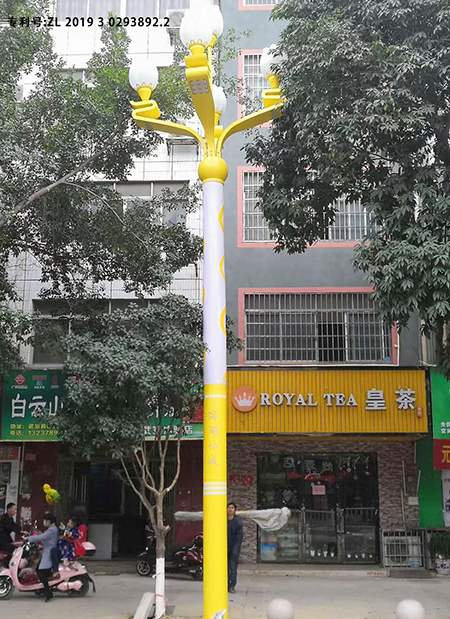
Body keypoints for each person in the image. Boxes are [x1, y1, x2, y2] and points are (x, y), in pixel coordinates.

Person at [26, 512, 59, 602]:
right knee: (38, 570)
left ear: (49, 521)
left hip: (49, 553)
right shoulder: (51, 529)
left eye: (45, 520)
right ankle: (43, 588)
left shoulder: (52, 530)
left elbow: (42, 537)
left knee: (42, 572)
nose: (44, 522)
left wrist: (29, 539)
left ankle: (48, 593)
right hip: (46, 551)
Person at [227, 502, 243, 594]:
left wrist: (235, 550)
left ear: (235, 510)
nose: (230, 509)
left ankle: (232, 586)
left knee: (232, 568)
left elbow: (239, 538)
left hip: (233, 549)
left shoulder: (238, 522)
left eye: (232, 508)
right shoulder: (222, 520)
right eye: (229, 507)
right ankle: (225, 585)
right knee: (223, 569)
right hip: (223, 549)